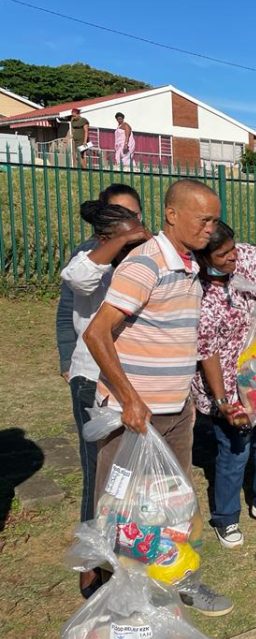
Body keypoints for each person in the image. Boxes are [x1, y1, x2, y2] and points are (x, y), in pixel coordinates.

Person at [83, 178, 233, 617]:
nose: (211, 228)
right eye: (203, 219)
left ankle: (183, 578)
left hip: (175, 413)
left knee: (177, 508)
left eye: (214, 219)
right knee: (122, 515)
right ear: (172, 214)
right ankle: (120, 602)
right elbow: (97, 333)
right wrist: (129, 399)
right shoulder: (145, 264)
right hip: (134, 418)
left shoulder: (188, 266)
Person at [60, 190, 150, 597]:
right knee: (97, 473)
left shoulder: (147, 257)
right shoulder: (90, 256)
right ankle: (90, 560)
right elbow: (76, 283)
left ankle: (127, 553)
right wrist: (120, 240)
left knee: (131, 477)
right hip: (92, 378)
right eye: (122, 217)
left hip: (135, 382)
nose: (133, 224)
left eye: (136, 215)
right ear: (104, 226)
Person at [191, 222, 256, 548]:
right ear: (204, 257)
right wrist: (223, 401)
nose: (233, 257)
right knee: (235, 449)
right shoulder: (199, 294)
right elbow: (206, 352)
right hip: (222, 383)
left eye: (233, 249)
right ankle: (225, 517)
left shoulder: (243, 257)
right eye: (223, 255)